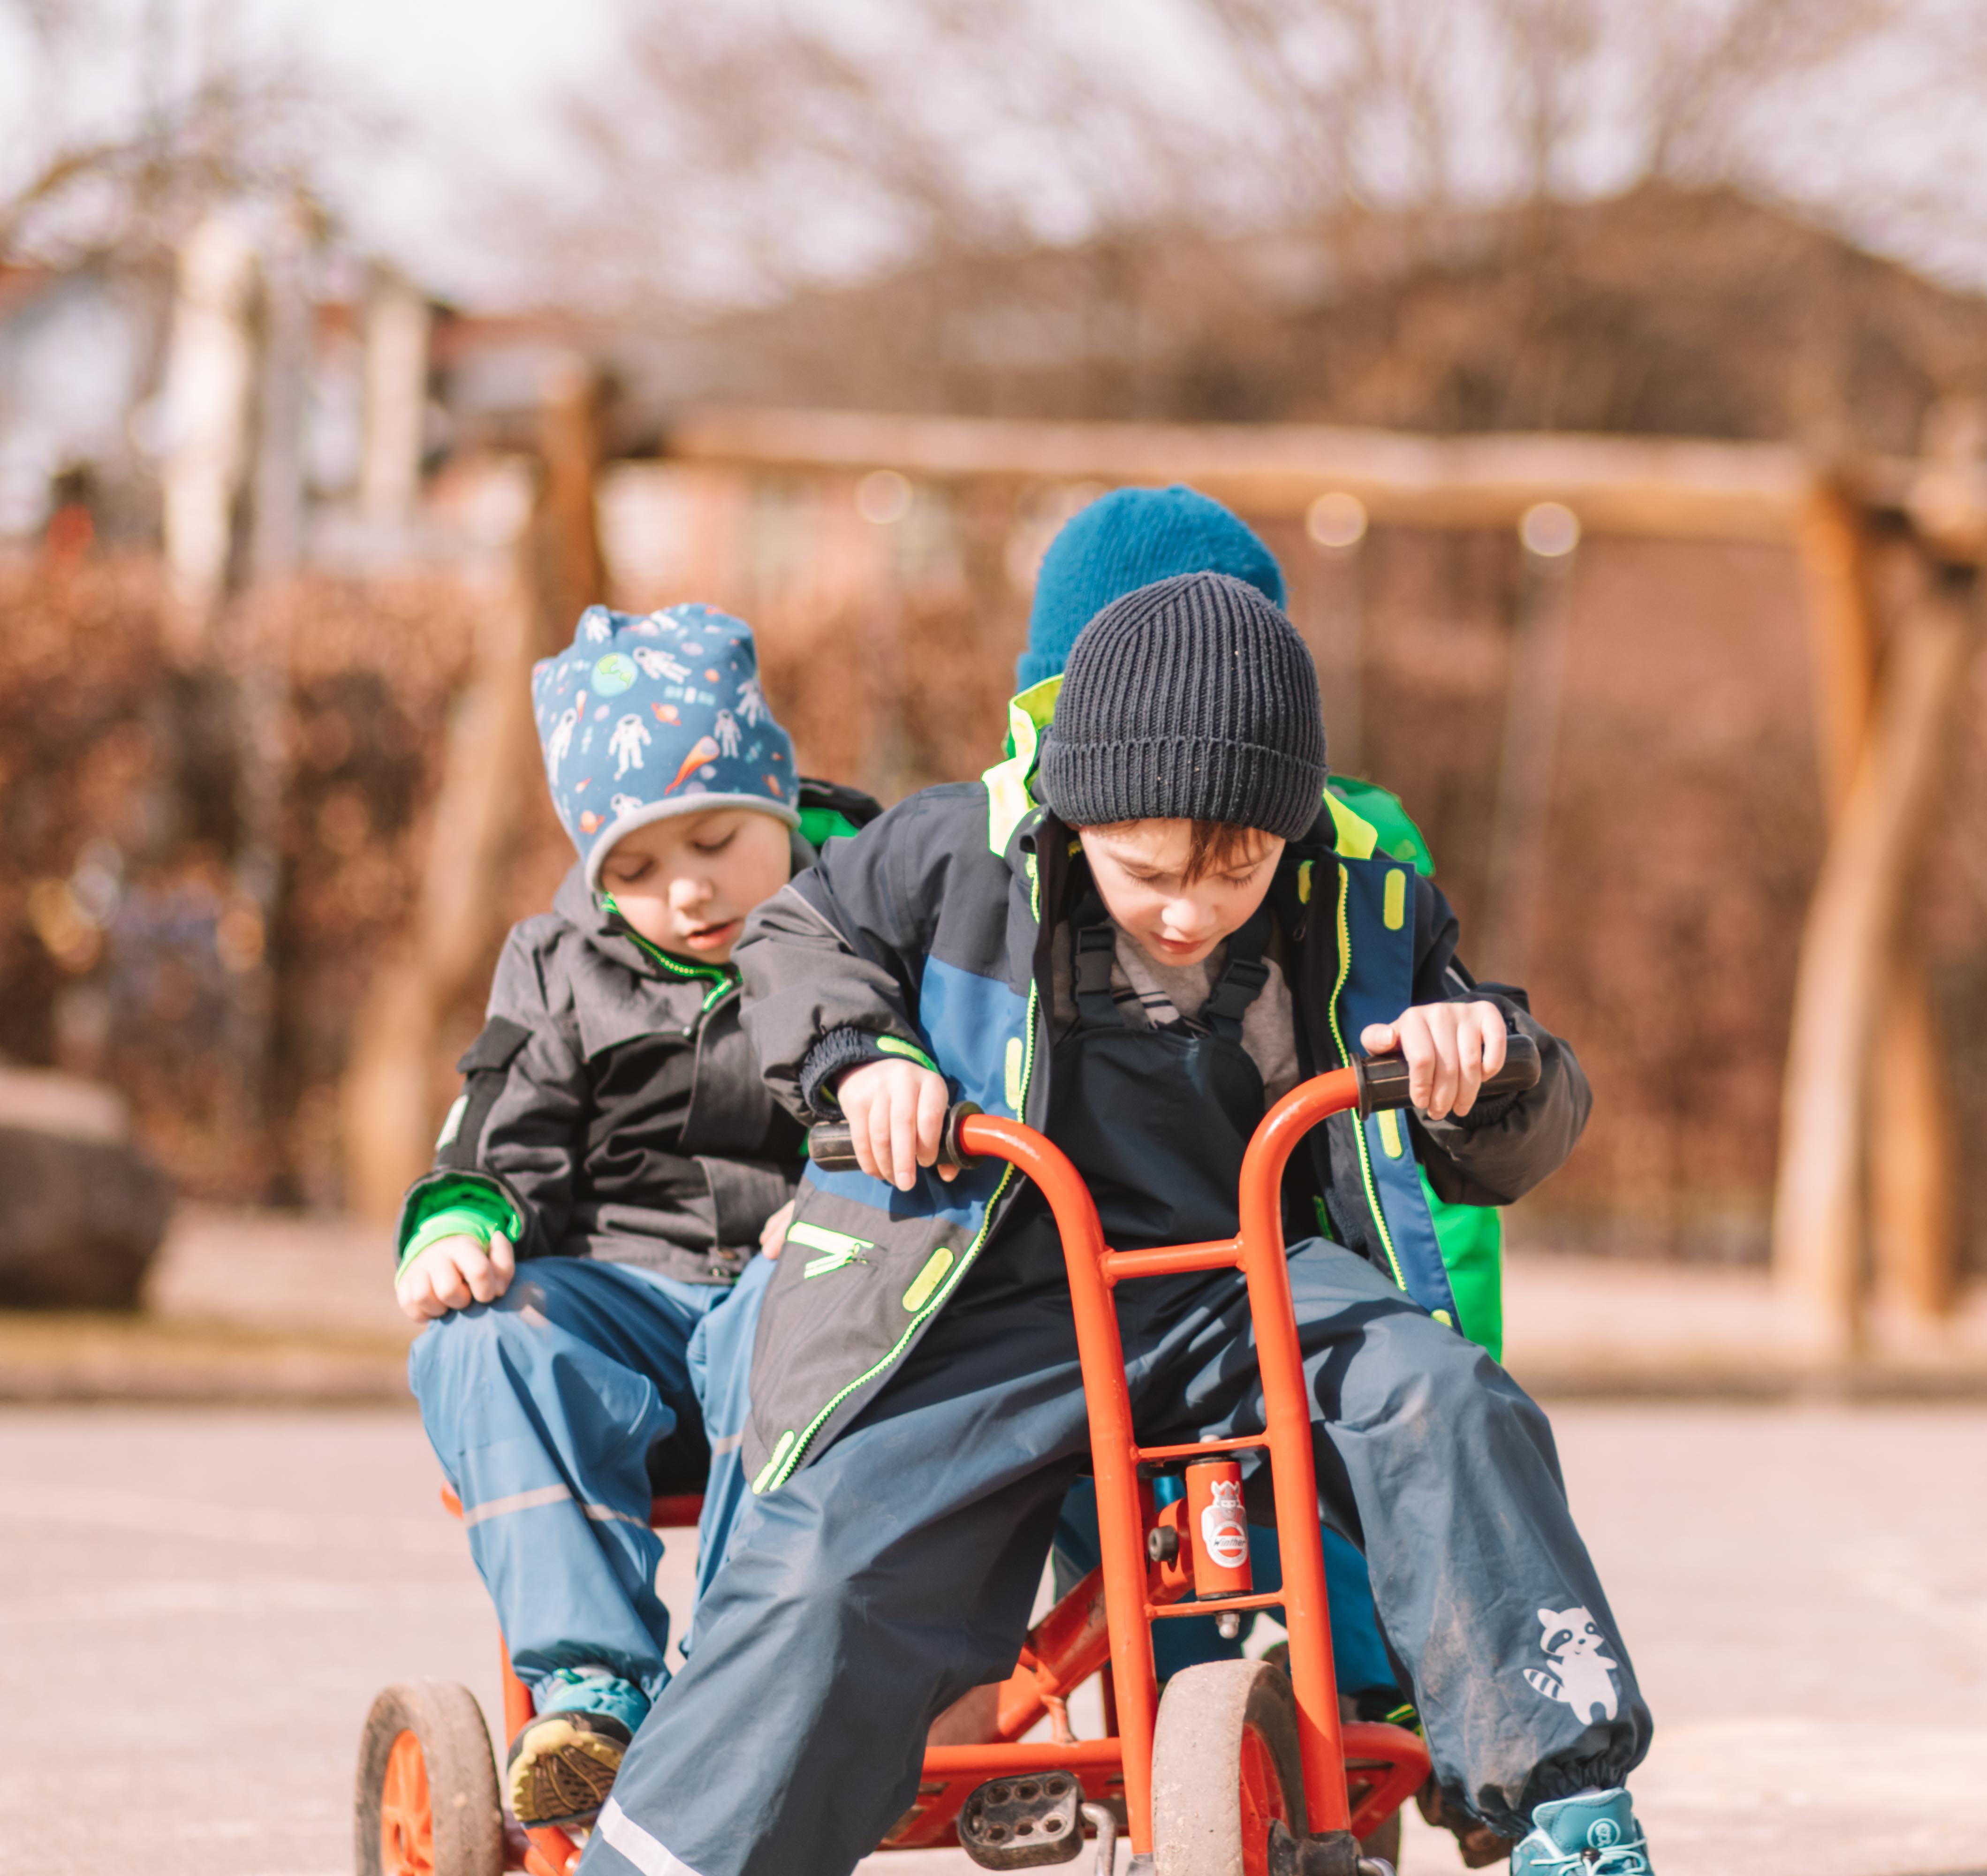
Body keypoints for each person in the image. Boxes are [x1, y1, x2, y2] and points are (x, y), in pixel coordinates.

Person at [577, 572, 1657, 1876]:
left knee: (1446, 1401)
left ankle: (1568, 1815)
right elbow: (800, 941)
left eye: (1237, 870)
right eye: (1148, 873)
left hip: (1250, 1281)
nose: (1192, 910)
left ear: (1290, 830)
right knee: (833, 1555)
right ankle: (665, 1861)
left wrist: (1488, 1063)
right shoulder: (954, 852)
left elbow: (1521, 1119)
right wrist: (864, 1058)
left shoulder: (1367, 898)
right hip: (993, 1279)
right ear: (1073, 812)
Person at [1012, 485, 1497, 1776]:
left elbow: (1420, 1142)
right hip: (1080, 1275)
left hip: (1274, 1259)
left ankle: (1387, 1686)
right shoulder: (1012, 865)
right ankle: (1158, 1740)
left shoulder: (1347, 860)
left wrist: (1450, 1336)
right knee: (1083, 1482)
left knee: (1333, 1446)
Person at [396, 603, 876, 1831]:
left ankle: (734, 1682)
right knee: (483, 1335)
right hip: (635, 1312)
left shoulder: (870, 913)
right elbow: (503, 1120)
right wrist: (466, 1219)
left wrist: (836, 1204)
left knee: (799, 1294)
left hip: (803, 1305)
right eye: (635, 868)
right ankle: (591, 1696)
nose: (685, 891)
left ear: (775, 799)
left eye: (716, 841)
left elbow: (936, 1086)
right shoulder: (562, 962)